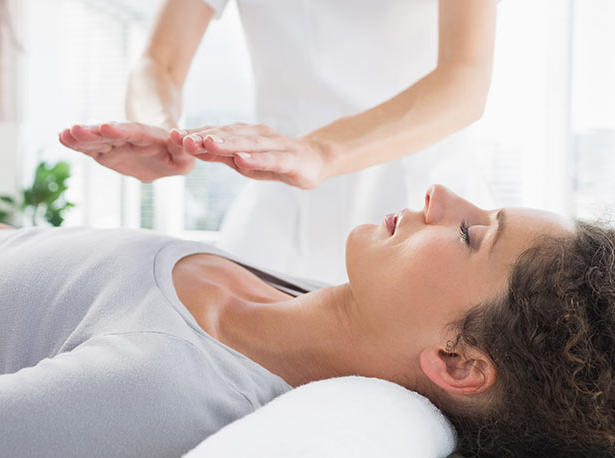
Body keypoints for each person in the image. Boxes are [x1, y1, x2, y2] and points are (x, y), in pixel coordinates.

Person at [0, 184, 615, 458]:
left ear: (459, 361)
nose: (441, 198)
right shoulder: (295, 292)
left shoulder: (163, 390)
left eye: (471, 233)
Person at [58, 0, 498, 284]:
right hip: (277, 215)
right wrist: (160, 129)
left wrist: (320, 151)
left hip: (420, 213)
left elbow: (465, 78)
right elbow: (159, 62)